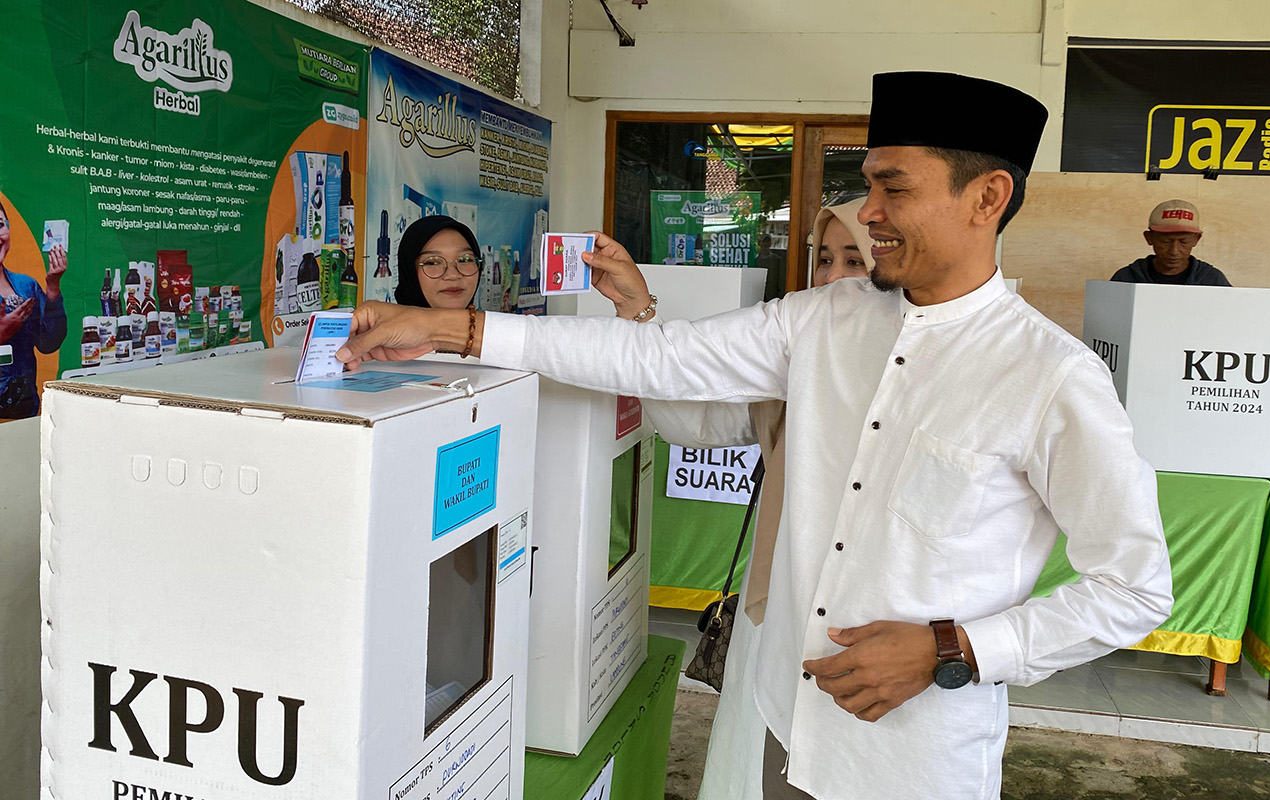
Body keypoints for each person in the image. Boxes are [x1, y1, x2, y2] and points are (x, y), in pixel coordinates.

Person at [337, 71, 1173, 800]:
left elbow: (1134, 588)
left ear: (986, 197)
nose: (869, 212)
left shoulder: (1049, 376)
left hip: (910, 758)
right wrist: (452, 332)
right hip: (784, 719)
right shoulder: (824, 319)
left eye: (894, 190)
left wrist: (953, 648)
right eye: (867, 186)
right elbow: (663, 361)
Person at [638, 198, 876, 800]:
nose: (832, 277)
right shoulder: (789, 365)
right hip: (778, 607)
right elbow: (698, 424)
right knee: (760, 763)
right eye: (824, 260)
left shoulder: (919, 377)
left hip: (873, 627)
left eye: (855, 259)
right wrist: (638, 317)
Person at [0, 199, 67, 419]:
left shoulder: (25, 285)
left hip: (25, 411)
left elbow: (48, 343)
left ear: (8, 228)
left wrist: (52, 287)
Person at [1110, 200, 1230, 285]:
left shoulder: (1212, 280)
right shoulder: (1125, 279)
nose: (1174, 251)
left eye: (1183, 241)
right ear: (1149, 238)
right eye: (1165, 241)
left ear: (1196, 239)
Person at [393, 215, 482, 311]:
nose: (453, 275)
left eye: (465, 260)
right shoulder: (386, 326)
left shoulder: (492, 325)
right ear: (410, 274)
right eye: (433, 263)